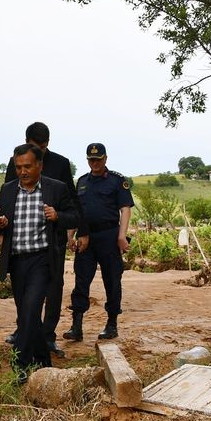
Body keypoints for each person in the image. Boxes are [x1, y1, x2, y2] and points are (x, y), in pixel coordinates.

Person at [0, 144, 80, 383]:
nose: (23, 171)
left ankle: (20, 363)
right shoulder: (8, 190)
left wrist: (58, 216)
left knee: (30, 309)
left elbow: (76, 215)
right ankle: (43, 361)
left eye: (28, 166)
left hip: (42, 259)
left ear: (39, 165)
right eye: (19, 167)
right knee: (26, 313)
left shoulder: (55, 188)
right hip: (17, 261)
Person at [3, 122, 83, 357]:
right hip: (20, 244)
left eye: (41, 148)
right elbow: (6, 198)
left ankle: (47, 336)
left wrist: (81, 230)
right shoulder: (15, 162)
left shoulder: (60, 164)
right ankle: (26, 333)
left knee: (53, 290)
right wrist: (0, 231)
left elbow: (73, 202)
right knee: (26, 297)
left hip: (51, 243)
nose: (24, 170)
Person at [63, 143, 134, 341]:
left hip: (109, 236)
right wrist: (70, 235)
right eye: (91, 160)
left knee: (112, 280)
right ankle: (76, 326)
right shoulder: (82, 181)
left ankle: (111, 324)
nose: (94, 163)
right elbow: (76, 211)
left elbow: (125, 209)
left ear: (105, 159)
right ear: (87, 160)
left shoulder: (117, 181)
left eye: (98, 159)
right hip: (85, 238)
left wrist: (121, 236)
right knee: (81, 281)